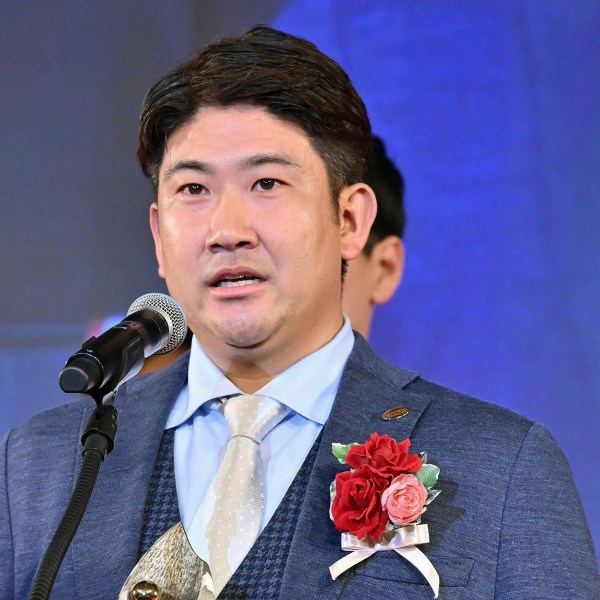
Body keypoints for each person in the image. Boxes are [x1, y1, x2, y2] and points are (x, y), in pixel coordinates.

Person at [0, 26, 597, 600]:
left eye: (266, 183)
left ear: (351, 220)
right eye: (193, 190)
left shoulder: (504, 467)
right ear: (158, 236)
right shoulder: (42, 464)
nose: (227, 231)